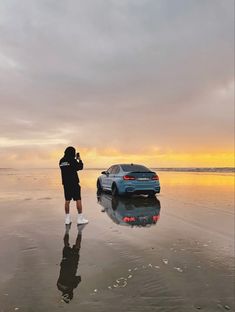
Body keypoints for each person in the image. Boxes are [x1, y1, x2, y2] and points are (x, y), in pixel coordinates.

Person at [59, 146, 88, 225]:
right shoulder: (72, 160)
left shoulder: (61, 161)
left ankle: (67, 219)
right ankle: (80, 219)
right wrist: (79, 159)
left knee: (67, 201)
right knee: (78, 199)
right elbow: (80, 167)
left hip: (66, 184)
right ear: (72, 153)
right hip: (74, 183)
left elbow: (66, 169)